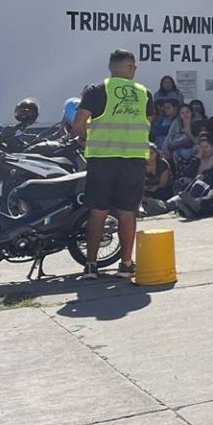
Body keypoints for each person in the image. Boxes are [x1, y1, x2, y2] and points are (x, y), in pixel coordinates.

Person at [71, 50, 153, 278]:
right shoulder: (144, 93)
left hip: (103, 160)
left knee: (98, 211)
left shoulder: (96, 91)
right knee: (128, 212)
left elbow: (78, 123)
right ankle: (126, 264)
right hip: (133, 161)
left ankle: (90, 265)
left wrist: (84, 138)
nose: (135, 70)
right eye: (134, 66)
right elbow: (149, 123)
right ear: (128, 68)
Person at [141, 147, 175, 215]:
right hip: (146, 190)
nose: (149, 155)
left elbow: (163, 184)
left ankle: (160, 205)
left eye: (151, 153)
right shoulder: (140, 165)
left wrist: (156, 187)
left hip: (162, 190)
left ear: (156, 153)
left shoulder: (162, 164)